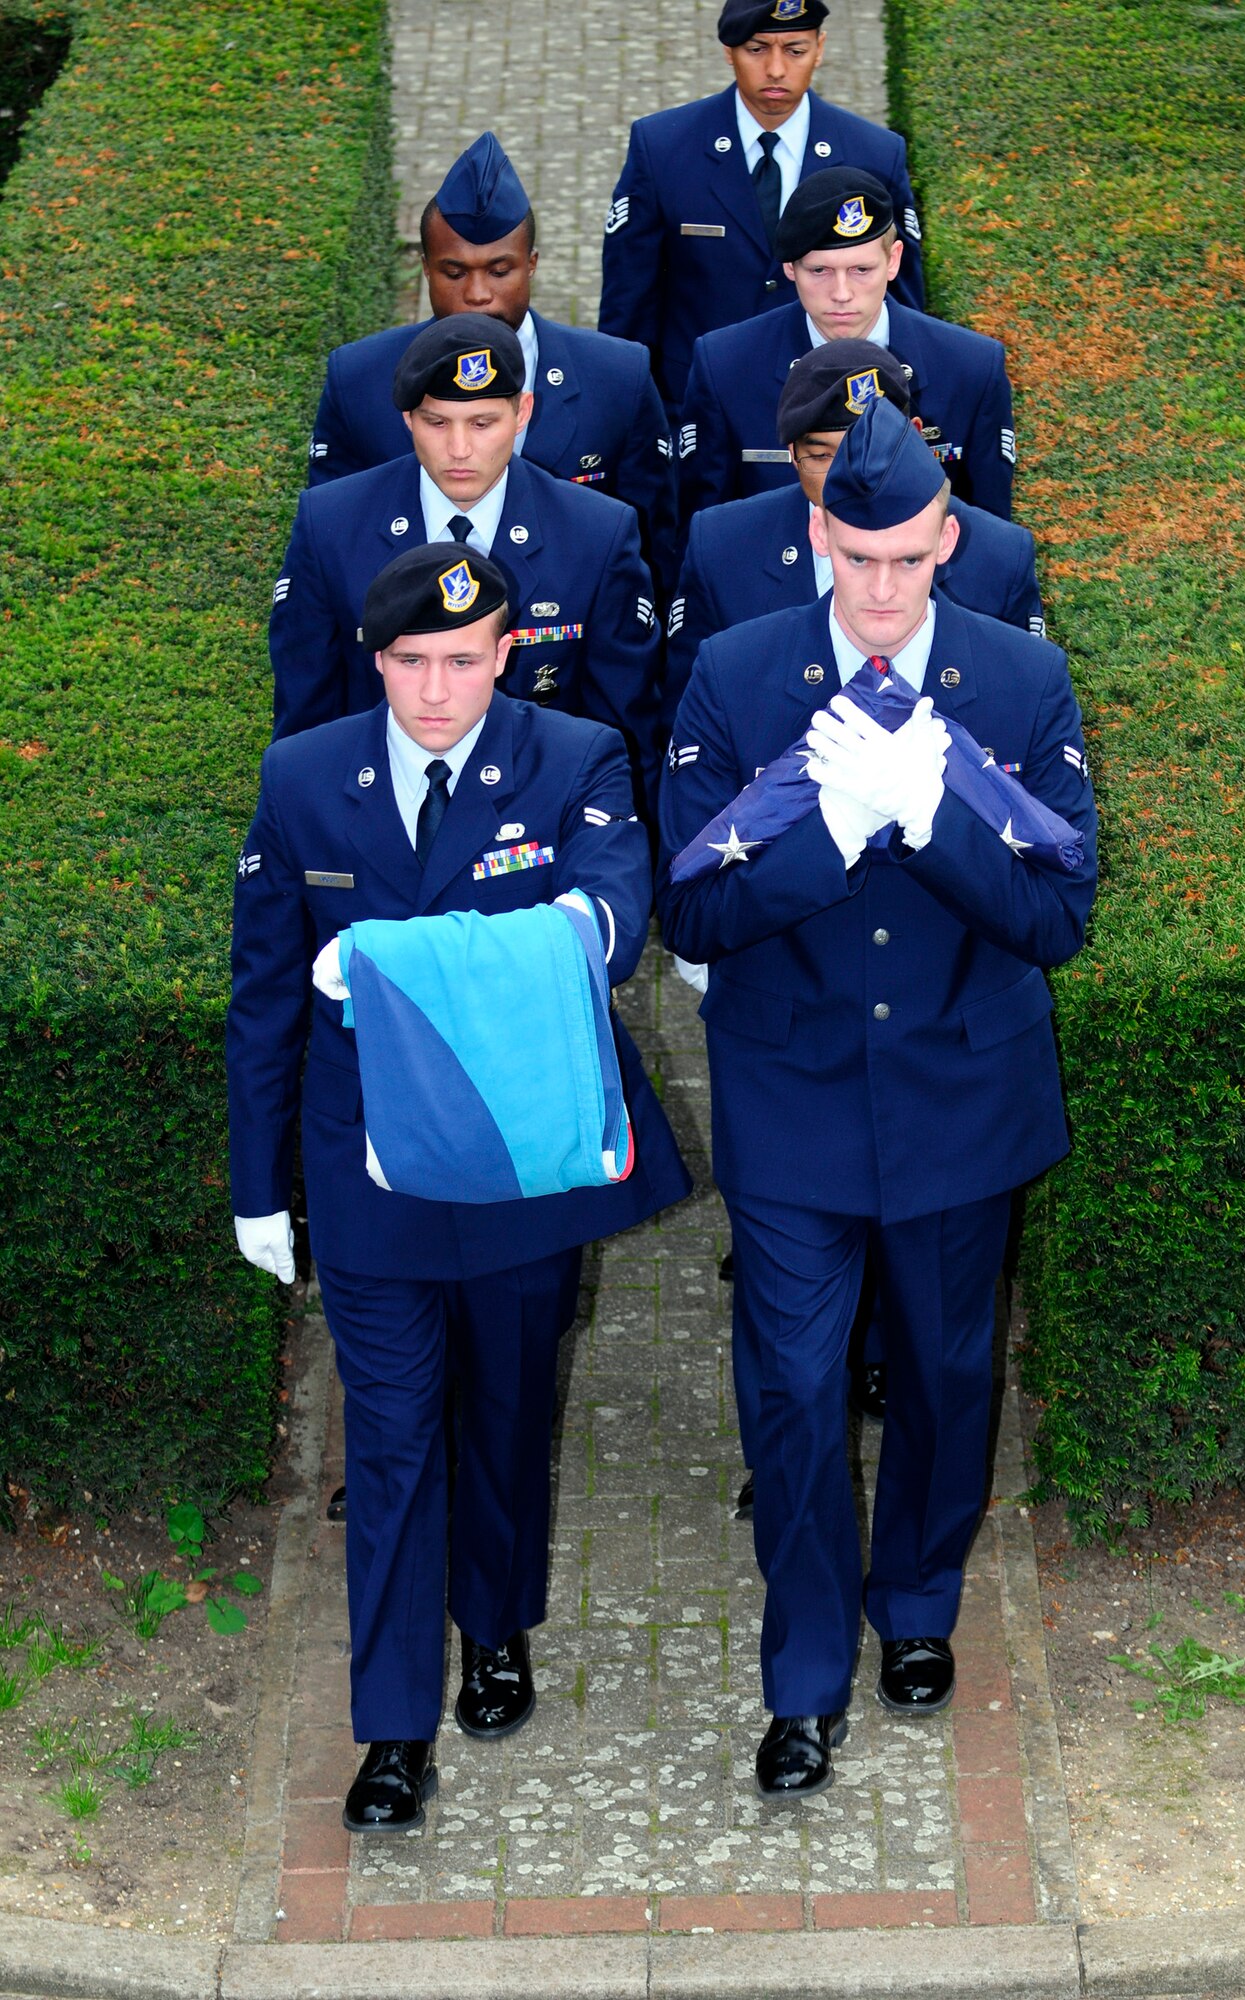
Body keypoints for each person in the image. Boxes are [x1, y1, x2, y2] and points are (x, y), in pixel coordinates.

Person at [657, 397, 1095, 1799]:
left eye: (911, 560)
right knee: (789, 1387)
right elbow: (693, 909)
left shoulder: (1019, 685)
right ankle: (801, 1673)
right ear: (815, 540)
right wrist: (836, 832)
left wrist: (936, 820)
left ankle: (914, 1602)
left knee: (949, 1371)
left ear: (951, 541)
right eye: (860, 561)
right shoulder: (735, 677)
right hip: (792, 1101)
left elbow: (1059, 912)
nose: (887, 593)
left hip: (963, 1098)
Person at [229, 542, 691, 1833]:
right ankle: (389, 1729)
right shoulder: (303, 777)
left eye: (462, 661)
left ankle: (494, 1628)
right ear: (379, 661)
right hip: (367, 1168)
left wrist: (401, 962)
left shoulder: (577, 757)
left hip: (514, 1156)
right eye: (413, 663)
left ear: (505, 653)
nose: (438, 691)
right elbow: (265, 991)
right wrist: (255, 1183)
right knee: (386, 1443)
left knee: (505, 1410)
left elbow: (609, 925)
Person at [270, 314, 662, 817]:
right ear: (408, 418)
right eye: (437, 422)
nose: (459, 450)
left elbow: (624, 730)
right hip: (372, 820)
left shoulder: (596, 534)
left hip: (538, 827)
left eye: (482, 423)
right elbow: (306, 721)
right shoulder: (330, 526)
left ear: (523, 413)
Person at [307, 133, 677, 591]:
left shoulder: (618, 377)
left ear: (533, 263)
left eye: (500, 272)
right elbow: (328, 545)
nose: (478, 295)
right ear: (425, 268)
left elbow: (656, 547)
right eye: (454, 272)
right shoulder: (357, 379)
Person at [663, 339, 1044, 733]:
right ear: (792, 454)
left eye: (866, 448)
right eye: (822, 455)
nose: (847, 476)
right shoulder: (721, 546)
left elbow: (1019, 706)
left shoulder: (1000, 556)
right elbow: (687, 715)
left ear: (915, 436)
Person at [598, 0, 924, 420]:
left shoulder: (875, 152)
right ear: (728, 51)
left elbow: (906, 304)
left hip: (841, 411)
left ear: (820, 48)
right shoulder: (662, 147)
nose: (775, 69)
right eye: (756, 49)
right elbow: (629, 299)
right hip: (700, 404)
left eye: (795, 49)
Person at [678, 166, 1016, 519]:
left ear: (894, 260)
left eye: (861, 270)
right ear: (790, 268)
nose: (841, 294)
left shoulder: (971, 367)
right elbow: (704, 526)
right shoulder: (725, 365)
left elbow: (988, 528)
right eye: (819, 271)